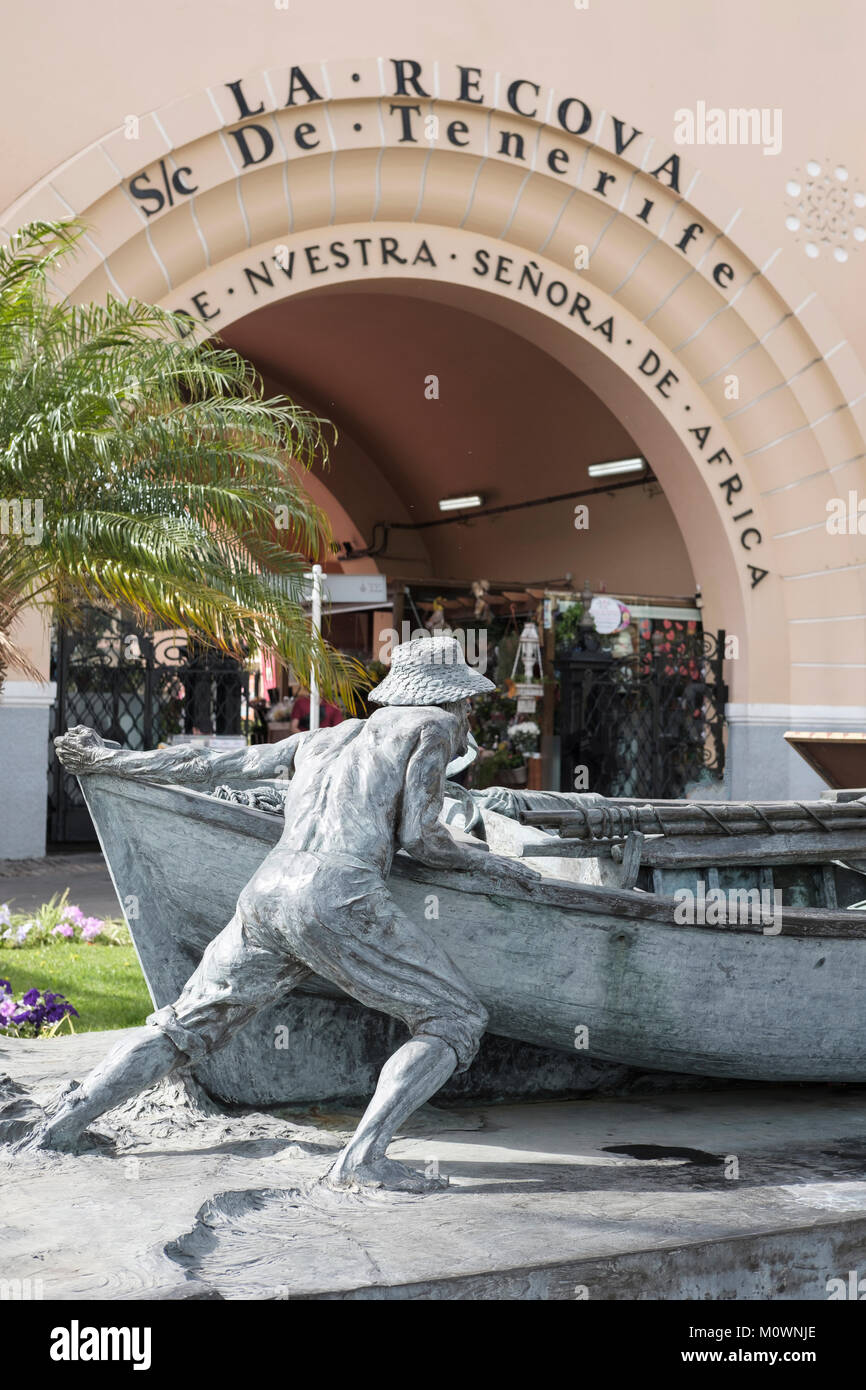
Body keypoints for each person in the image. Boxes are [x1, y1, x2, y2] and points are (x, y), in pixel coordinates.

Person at [27, 636, 539, 1193]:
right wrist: (490, 866)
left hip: (267, 893)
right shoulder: (430, 729)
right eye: (468, 705)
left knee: (184, 1025)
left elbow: (212, 763)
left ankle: (63, 1126)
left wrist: (111, 759)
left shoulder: (321, 738)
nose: (469, 717)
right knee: (456, 1018)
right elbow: (422, 837)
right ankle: (362, 1160)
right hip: (337, 896)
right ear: (452, 701)